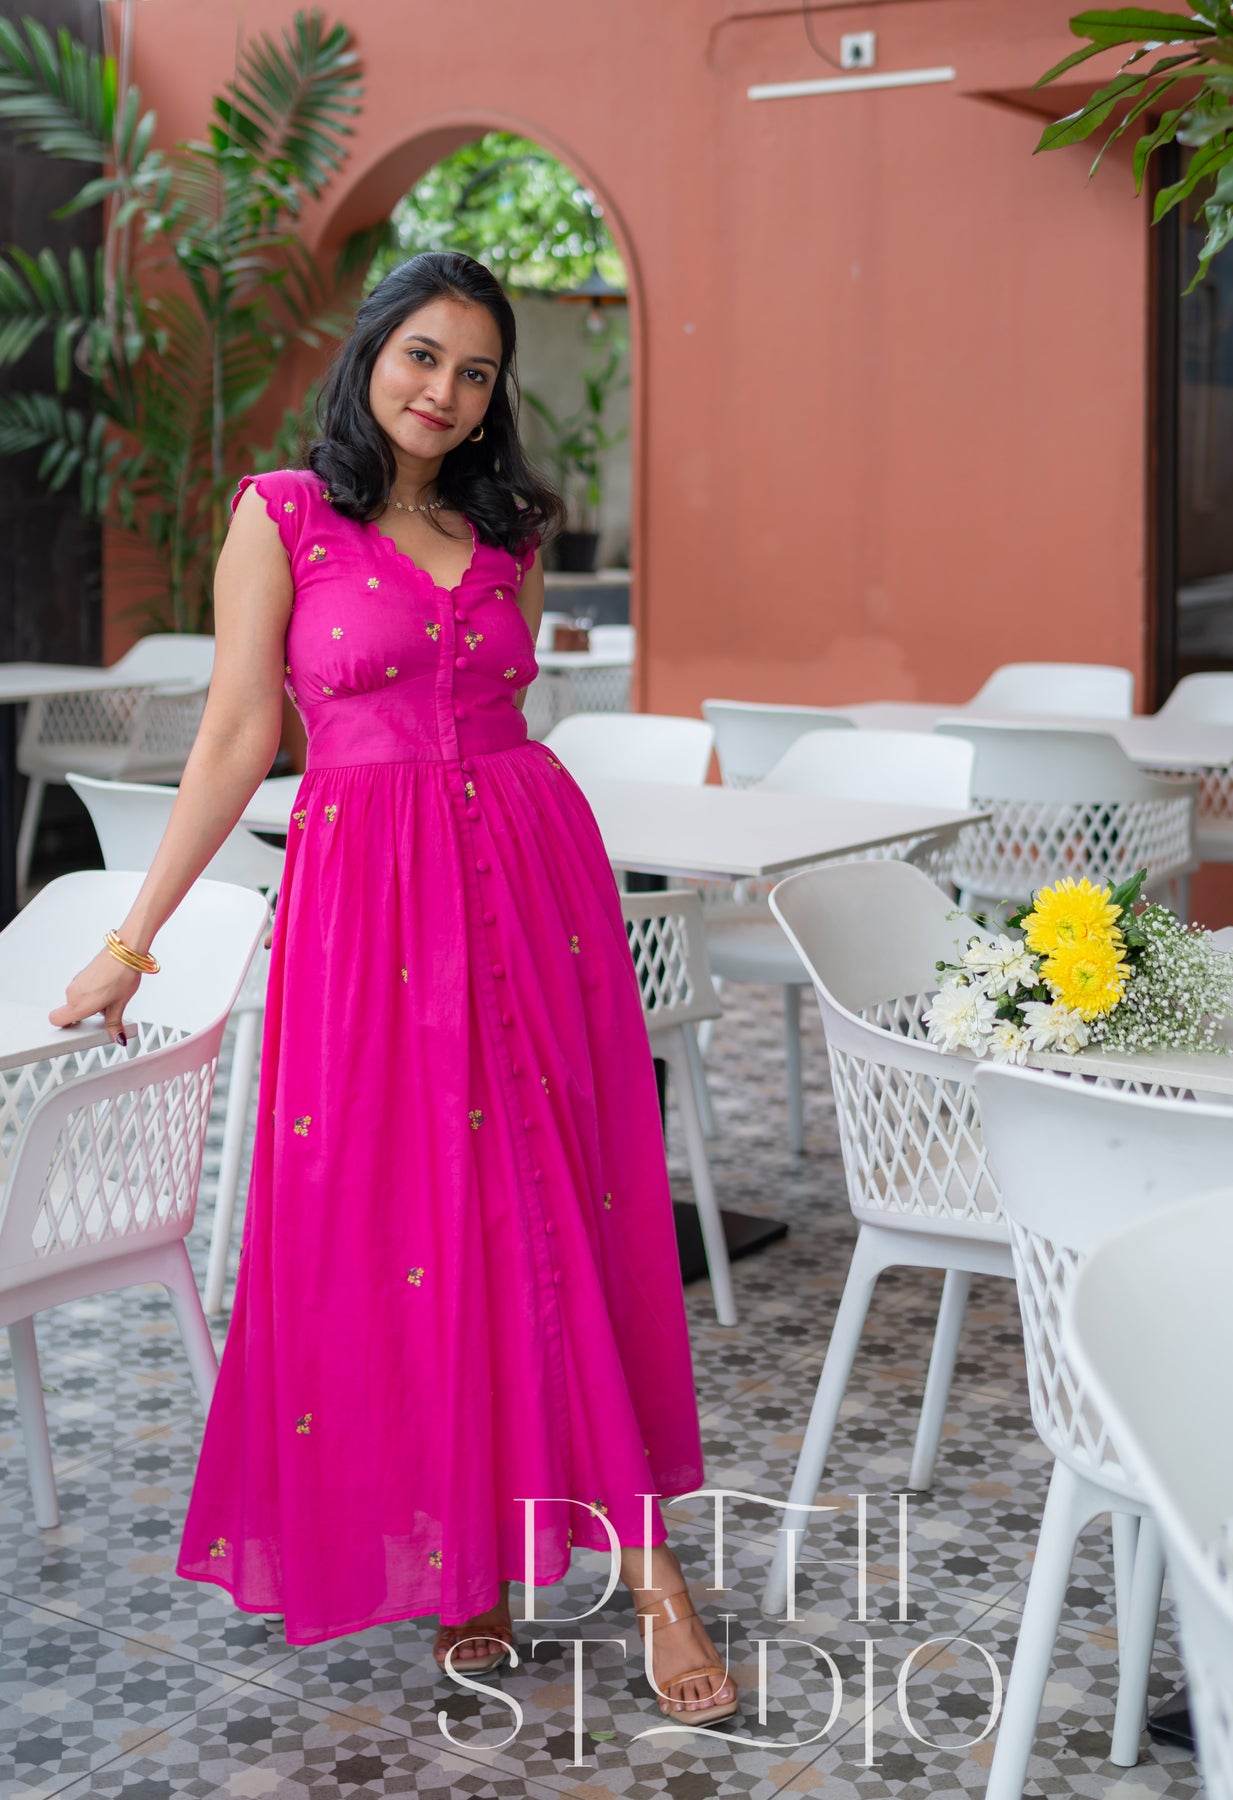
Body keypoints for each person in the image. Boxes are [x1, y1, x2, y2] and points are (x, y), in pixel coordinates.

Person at [49, 250, 738, 1726]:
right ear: (373, 354)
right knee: (414, 1221)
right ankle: (467, 1553)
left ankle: (650, 1565)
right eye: (423, 354)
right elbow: (239, 738)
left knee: (560, 1201)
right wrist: (134, 939)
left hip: (532, 884)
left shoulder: (510, 527)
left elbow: (506, 709)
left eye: (476, 371)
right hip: (368, 912)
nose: (444, 390)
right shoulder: (280, 517)